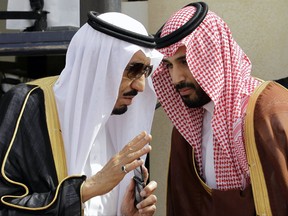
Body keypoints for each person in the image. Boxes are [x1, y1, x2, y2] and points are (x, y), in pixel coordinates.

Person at [0, 11, 163, 215]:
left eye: (145, 72)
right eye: (132, 69)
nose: (140, 86)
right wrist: (85, 190)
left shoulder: (123, 123)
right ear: (99, 63)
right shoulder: (28, 106)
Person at [152, 2, 288, 216]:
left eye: (185, 62)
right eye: (169, 66)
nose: (176, 78)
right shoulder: (187, 124)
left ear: (213, 56)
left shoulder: (267, 109)